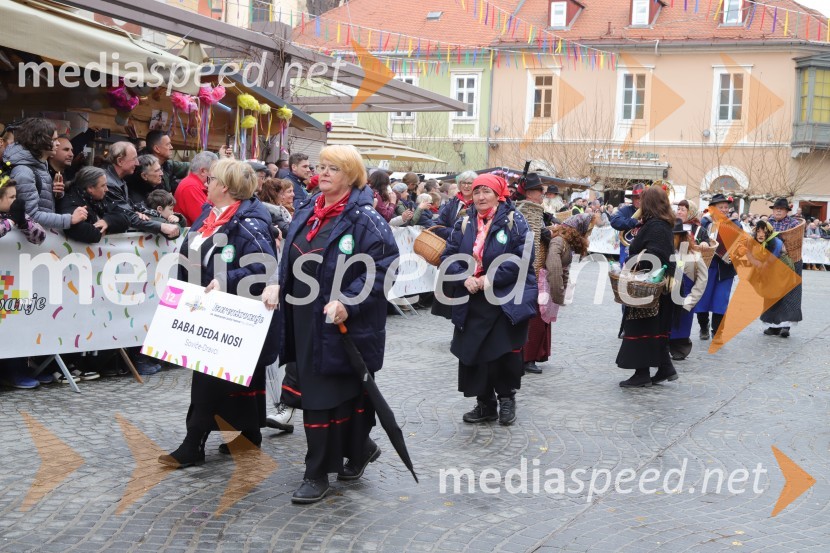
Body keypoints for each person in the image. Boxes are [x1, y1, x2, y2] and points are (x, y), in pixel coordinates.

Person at [260, 145, 398, 504]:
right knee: (326, 394)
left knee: (328, 396)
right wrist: (279, 281)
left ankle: (316, 472)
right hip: (302, 319)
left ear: (351, 175)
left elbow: (384, 268)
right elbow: (290, 253)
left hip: (341, 324)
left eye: (332, 168)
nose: (322, 173)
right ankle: (361, 447)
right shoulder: (308, 208)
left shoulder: (366, 218)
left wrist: (348, 302)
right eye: (320, 167)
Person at [158, 159, 280, 468]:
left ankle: (193, 442)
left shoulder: (249, 220)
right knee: (231, 375)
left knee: (211, 377)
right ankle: (250, 433)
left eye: (211, 179)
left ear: (224, 187)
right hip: (201, 304)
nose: (205, 184)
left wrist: (227, 280)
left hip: (229, 308)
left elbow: (264, 265)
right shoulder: (208, 214)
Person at [442, 173, 537, 426]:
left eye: (487, 192)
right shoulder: (464, 221)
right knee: (471, 353)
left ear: (498, 194)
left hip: (502, 299)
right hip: (470, 297)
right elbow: (447, 256)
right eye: (476, 192)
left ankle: (507, 399)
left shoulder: (514, 221)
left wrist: (488, 279)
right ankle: (485, 404)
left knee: (502, 353)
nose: (481, 197)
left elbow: (523, 257)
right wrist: (464, 278)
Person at [616, 186, 678, 388]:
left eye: (643, 201)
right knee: (655, 328)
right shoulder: (660, 224)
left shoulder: (656, 226)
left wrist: (635, 261)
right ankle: (665, 368)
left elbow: (655, 257)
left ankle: (641, 373)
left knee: (642, 326)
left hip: (650, 286)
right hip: (662, 286)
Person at [3, 118, 87, 231]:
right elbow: (30, 216)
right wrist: (69, 219)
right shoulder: (24, 172)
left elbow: (42, 206)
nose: (58, 143)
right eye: (54, 139)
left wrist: (57, 194)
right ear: (38, 141)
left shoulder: (40, 166)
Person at [516, 174, 556, 374]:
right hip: (532, 269)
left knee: (541, 312)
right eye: (539, 191)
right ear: (529, 193)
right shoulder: (525, 211)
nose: (542, 195)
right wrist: (549, 234)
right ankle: (527, 356)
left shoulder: (537, 212)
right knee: (535, 314)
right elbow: (532, 236)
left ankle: (533, 355)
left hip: (539, 267)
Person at [103, 142, 180, 239]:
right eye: (134, 159)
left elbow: (128, 211)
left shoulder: (119, 181)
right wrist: (161, 226)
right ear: (120, 161)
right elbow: (126, 214)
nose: (137, 163)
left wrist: (135, 212)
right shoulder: (110, 184)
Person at [693, 194, 738, 343]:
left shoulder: (735, 224)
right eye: (721, 207)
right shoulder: (704, 224)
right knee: (703, 299)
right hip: (708, 266)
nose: (724, 210)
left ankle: (717, 332)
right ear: (713, 209)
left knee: (721, 300)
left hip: (726, 268)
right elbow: (697, 242)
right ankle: (704, 327)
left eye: (726, 207)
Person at [668, 219, 709, 361]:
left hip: (686, 297)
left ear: (682, 236)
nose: (671, 238)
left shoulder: (695, 256)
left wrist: (691, 300)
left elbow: (702, 280)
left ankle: (679, 349)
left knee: (682, 324)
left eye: (674, 235)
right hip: (667, 296)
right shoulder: (665, 252)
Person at [763, 198, 804, 336]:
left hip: (791, 262)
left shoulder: (793, 223)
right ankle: (773, 325)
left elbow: (794, 239)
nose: (778, 211)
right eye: (776, 209)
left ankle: (786, 326)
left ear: (787, 211)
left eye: (781, 209)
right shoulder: (768, 223)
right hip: (772, 263)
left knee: (790, 294)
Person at [58, 166, 130, 243]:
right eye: (103, 185)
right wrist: (101, 230)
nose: (107, 189)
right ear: (90, 188)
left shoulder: (100, 198)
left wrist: (108, 221)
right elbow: (78, 229)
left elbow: (125, 217)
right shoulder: (71, 202)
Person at [174, 151, 218, 226]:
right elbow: (204, 221)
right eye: (215, 169)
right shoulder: (191, 187)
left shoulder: (195, 184)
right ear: (203, 171)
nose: (217, 173)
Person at [610, 184, 644, 266]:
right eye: (636, 198)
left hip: (643, 249)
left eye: (641, 198)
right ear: (632, 198)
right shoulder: (626, 210)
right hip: (627, 249)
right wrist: (634, 222)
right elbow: (614, 221)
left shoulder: (650, 211)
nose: (639, 200)